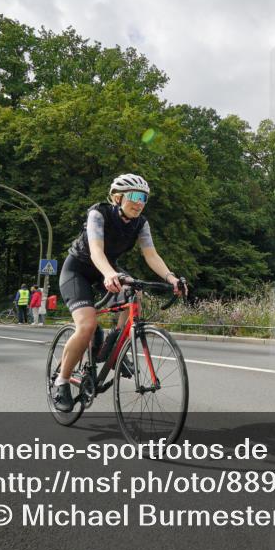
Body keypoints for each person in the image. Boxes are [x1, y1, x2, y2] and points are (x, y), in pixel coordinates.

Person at [53, 173, 186, 412]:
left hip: (109, 269)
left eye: (144, 198)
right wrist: (108, 273)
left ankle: (115, 345)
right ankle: (62, 381)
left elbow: (151, 255)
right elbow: (95, 251)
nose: (140, 202)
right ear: (117, 197)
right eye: (134, 196)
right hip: (79, 270)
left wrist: (171, 278)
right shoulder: (98, 214)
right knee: (87, 326)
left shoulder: (141, 223)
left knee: (135, 292)